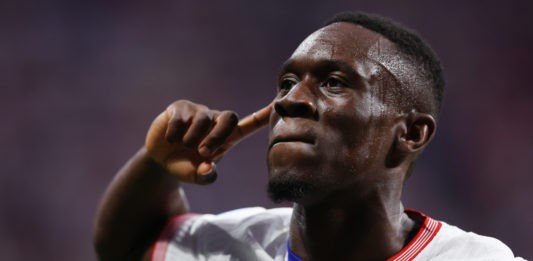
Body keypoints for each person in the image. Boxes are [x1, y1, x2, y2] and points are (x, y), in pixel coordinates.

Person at [93, 11, 524, 260]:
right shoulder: (237, 244)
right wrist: (157, 166)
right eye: (285, 83)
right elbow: (129, 244)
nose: (289, 101)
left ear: (410, 132)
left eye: (334, 82)